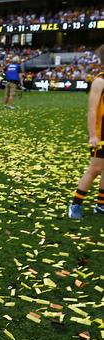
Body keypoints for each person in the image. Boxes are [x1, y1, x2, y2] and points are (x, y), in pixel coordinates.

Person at [68, 45, 104, 219]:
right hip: (101, 132)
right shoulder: (100, 81)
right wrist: (93, 135)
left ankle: (101, 205)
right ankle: (75, 204)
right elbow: (92, 110)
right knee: (95, 168)